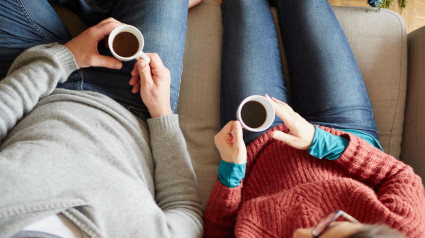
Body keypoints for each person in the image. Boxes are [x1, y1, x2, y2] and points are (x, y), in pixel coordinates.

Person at [203, 0, 425, 237]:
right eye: (336, 221)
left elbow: (218, 231)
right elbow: (401, 177)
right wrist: (316, 139)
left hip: (261, 147)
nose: (302, 232)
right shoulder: (404, 230)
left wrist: (232, 172)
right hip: (342, 129)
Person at [0, 0, 203, 237]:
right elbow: (186, 211)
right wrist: (162, 113)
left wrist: (67, 56)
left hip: (37, 86)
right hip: (134, 96)